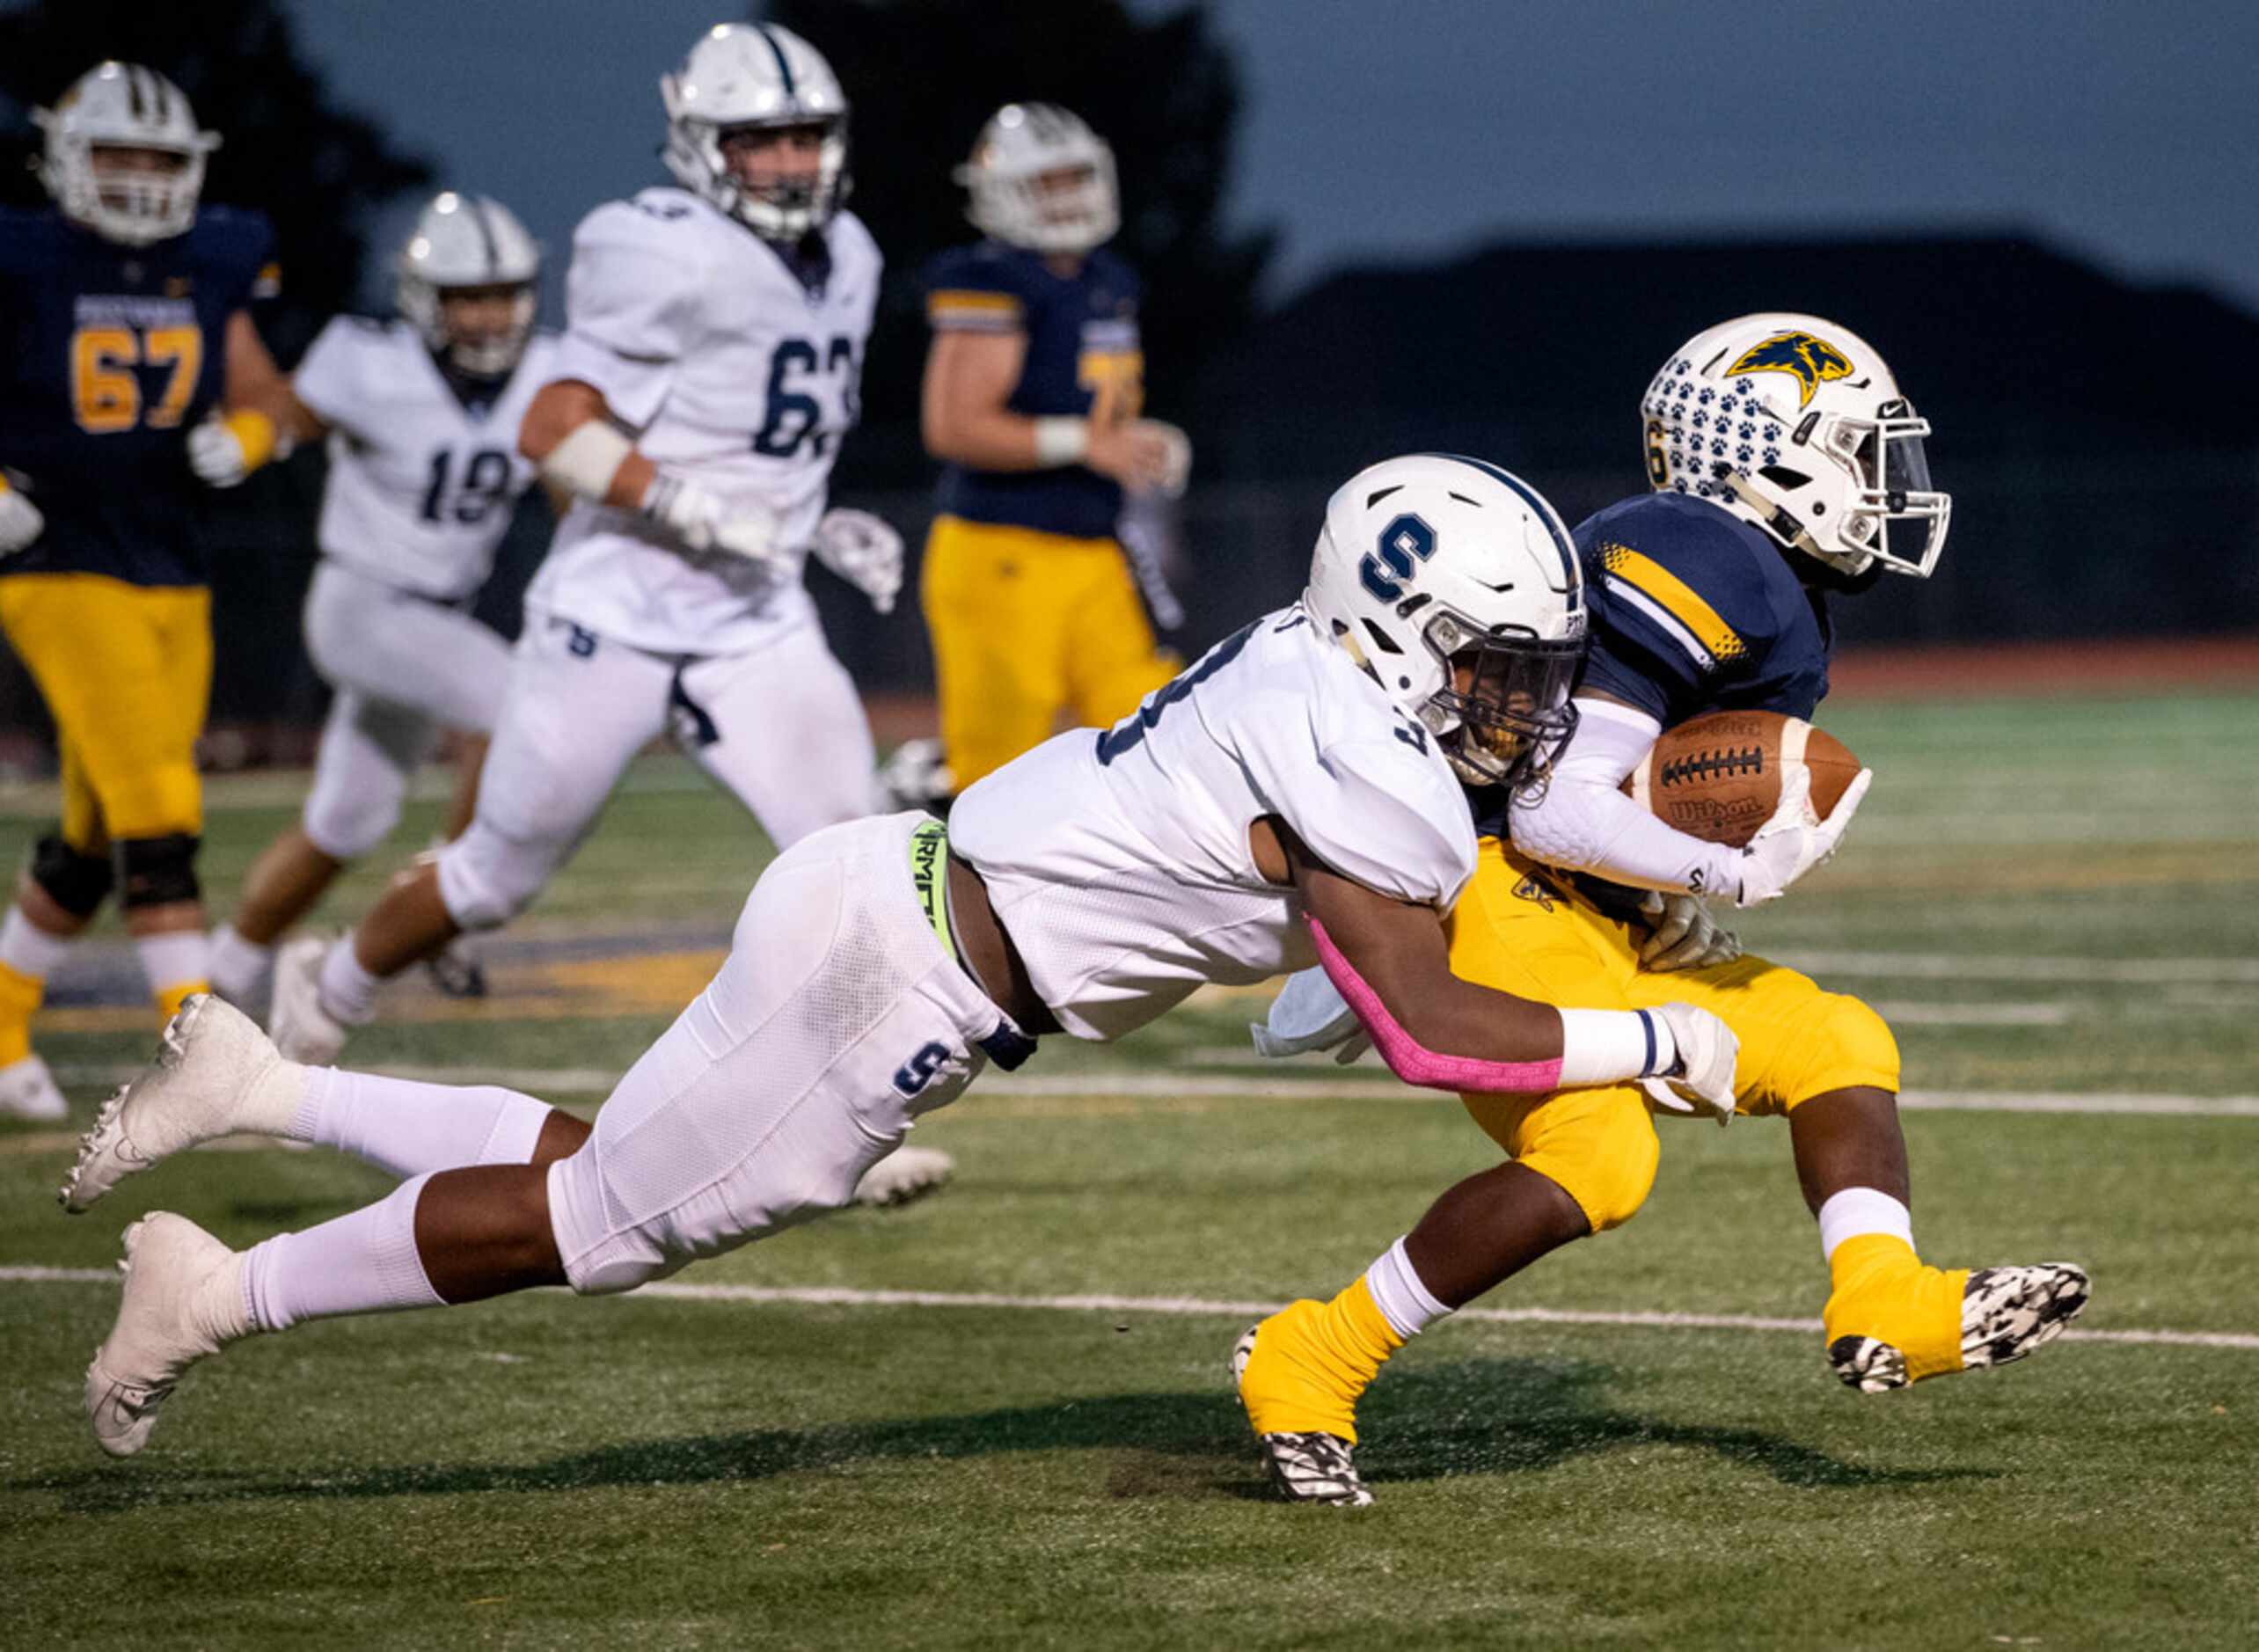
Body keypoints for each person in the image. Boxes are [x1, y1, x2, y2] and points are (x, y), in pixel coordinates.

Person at [64, 453, 1750, 1462]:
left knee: (604, 1167)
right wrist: (1657, 1041)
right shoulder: (1368, 760)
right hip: (911, 976)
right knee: (590, 1229)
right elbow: (1434, 1026)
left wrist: (1623, 901)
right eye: (1502, 669)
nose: (1524, 706)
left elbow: (1365, 950)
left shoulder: (1306, 668)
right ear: (1402, 637)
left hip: (887, 888)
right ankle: (214, 1295)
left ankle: (268, 1080)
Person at [1239, 316, 2089, 1506]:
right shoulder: (1705, 552)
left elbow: (1603, 793)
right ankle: (1312, 1355)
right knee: (1601, 1155)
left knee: (1832, 1035)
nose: (1890, 484)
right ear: (1769, 455)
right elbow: (1552, 808)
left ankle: (1885, 1296)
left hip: (1578, 907)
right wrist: (1725, 872)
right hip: (1498, 888)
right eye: (1862, 452)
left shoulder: (1759, 579)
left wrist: (1653, 891)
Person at [261, 23, 901, 1065]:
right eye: (760, 141)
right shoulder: (662, 246)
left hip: (753, 618)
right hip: (616, 615)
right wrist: (691, 506)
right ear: (703, 147)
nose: (789, 163)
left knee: (853, 849)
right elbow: (550, 428)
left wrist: (811, 520)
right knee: (489, 878)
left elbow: (761, 431)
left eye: (805, 137)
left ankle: (839, 1097)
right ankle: (330, 987)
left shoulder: (856, 255)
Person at [0, 62, 291, 1120]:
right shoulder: (25, 255)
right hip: (56, 563)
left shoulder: (215, 255)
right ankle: (213, 1060)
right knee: (161, 815)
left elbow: (264, 384)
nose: (136, 179)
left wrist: (257, 431)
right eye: (117, 154)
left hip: (173, 560)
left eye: (158, 160)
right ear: (68, 158)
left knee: (90, 840)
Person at [206, 191, 556, 1009]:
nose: (490, 317)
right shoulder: (368, 360)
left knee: (344, 825)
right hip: (362, 605)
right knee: (513, 701)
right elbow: (290, 410)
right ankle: (448, 911)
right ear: (426, 301)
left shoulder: (548, 372)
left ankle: (220, 975)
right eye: (469, 298)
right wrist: (253, 436)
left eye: (502, 295)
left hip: (435, 618)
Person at [886, 103, 1192, 813]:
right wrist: (1087, 444)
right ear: (1000, 192)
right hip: (1002, 555)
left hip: (1095, 552)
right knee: (999, 784)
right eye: (1044, 183)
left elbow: (1091, 409)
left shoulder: (1107, 278)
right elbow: (955, 426)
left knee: (1158, 742)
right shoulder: (993, 279)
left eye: (1072, 179)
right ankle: (918, 847)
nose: (1065, 198)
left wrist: (1140, 439)